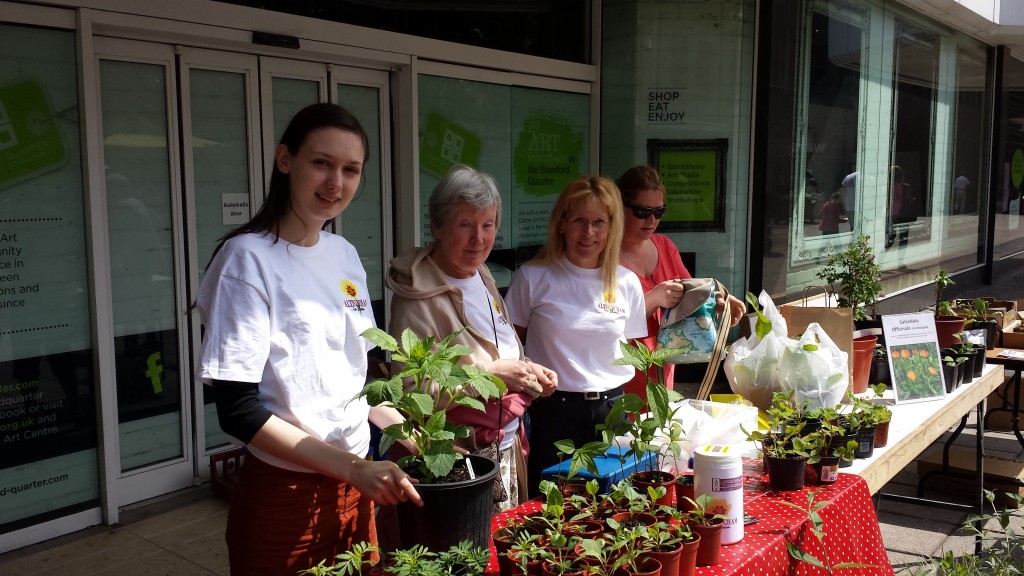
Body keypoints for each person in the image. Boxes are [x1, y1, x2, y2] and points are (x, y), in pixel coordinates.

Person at [195, 103, 421, 576]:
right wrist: (352, 468)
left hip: (358, 486)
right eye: (321, 163)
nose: (335, 183)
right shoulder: (247, 260)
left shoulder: (344, 254)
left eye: (350, 169)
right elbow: (237, 410)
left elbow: (350, 381)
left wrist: (408, 432)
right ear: (285, 160)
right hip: (286, 493)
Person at [386, 164, 557, 514]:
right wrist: (492, 374)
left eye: (488, 225)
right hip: (459, 466)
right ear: (437, 226)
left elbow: (497, 348)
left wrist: (528, 370)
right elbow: (411, 396)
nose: (479, 238)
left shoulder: (480, 272)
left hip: (505, 448)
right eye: (465, 224)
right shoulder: (417, 296)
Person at [505, 175, 647, 496]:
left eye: (599, 222)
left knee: (616, 506)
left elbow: (632, 351)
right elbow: (509, 348)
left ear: (612, 227)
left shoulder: (626, 282)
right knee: (552, 508)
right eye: (579, 220)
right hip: (554, 411)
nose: (588, 232)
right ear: (561, 223)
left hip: (613, 410)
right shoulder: (533, 277)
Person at [615, 166, 746, 402]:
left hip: (662, 369)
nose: (652, 220)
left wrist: (719, 302)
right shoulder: (605, 258)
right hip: (623, 375)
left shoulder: (664, 245)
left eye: (659, 211)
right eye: (642, 211)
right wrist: (653, 299)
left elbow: (691, 296)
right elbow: (605, 326)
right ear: (619, 208)